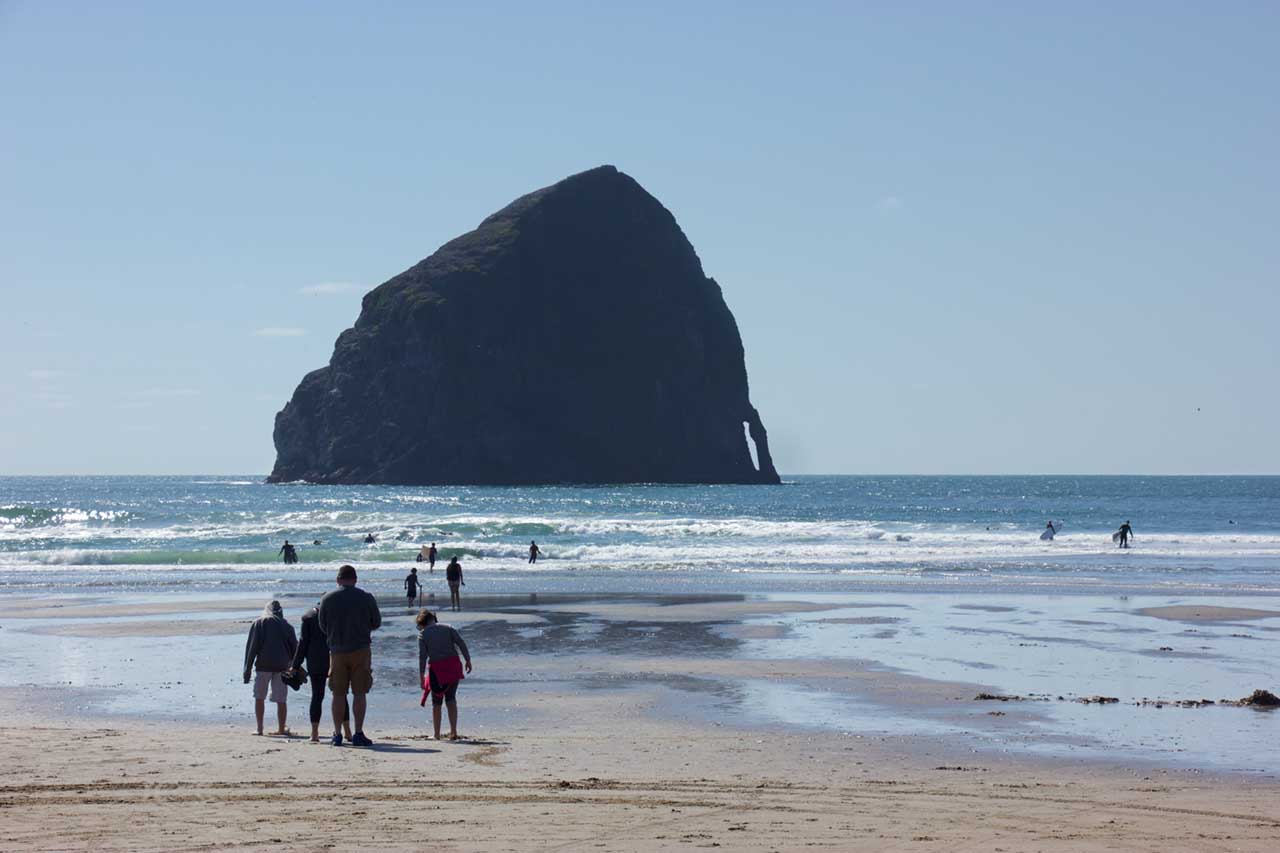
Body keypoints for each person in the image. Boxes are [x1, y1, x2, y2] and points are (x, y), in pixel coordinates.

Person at [317, 564, 382, 747]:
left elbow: (322, 625)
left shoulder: (327, 599)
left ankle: (337, 734)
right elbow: (376, 622)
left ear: (338, 580)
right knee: (359, 693)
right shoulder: (366, 597)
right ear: (355, 579)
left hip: (337, 651)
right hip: (361, 650)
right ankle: (358, 732)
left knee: (338, 694)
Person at [288, 603, 351, 744]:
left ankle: (315, 733)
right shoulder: (336, 616)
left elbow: (303, 644)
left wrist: (295, 666)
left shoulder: (308, 618)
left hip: (315, 662)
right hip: (335, 659)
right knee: (341, 695)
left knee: (317, 696)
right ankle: (347, 731)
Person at [242, 600, 298, 736]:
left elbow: (252, 648)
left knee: (259, 697)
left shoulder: (259, 623)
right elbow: (295, 649)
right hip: (282, 666)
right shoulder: (287, 626)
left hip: (263, 665)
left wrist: (247, 670)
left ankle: (260, 728)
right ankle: (281, 728)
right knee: (281, 699)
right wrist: (295, 667)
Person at [416, 609, 472, 740]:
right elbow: (461, 642)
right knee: (451, 699)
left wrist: (421, 677)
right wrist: (468, 660)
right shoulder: (448, 628)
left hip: (438, 670)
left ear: (422, 623)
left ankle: (436, 734)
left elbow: (422, 657)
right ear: (434, 619)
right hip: (453, 666)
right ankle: (453, 732)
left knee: (436, 702)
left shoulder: (423, 635)